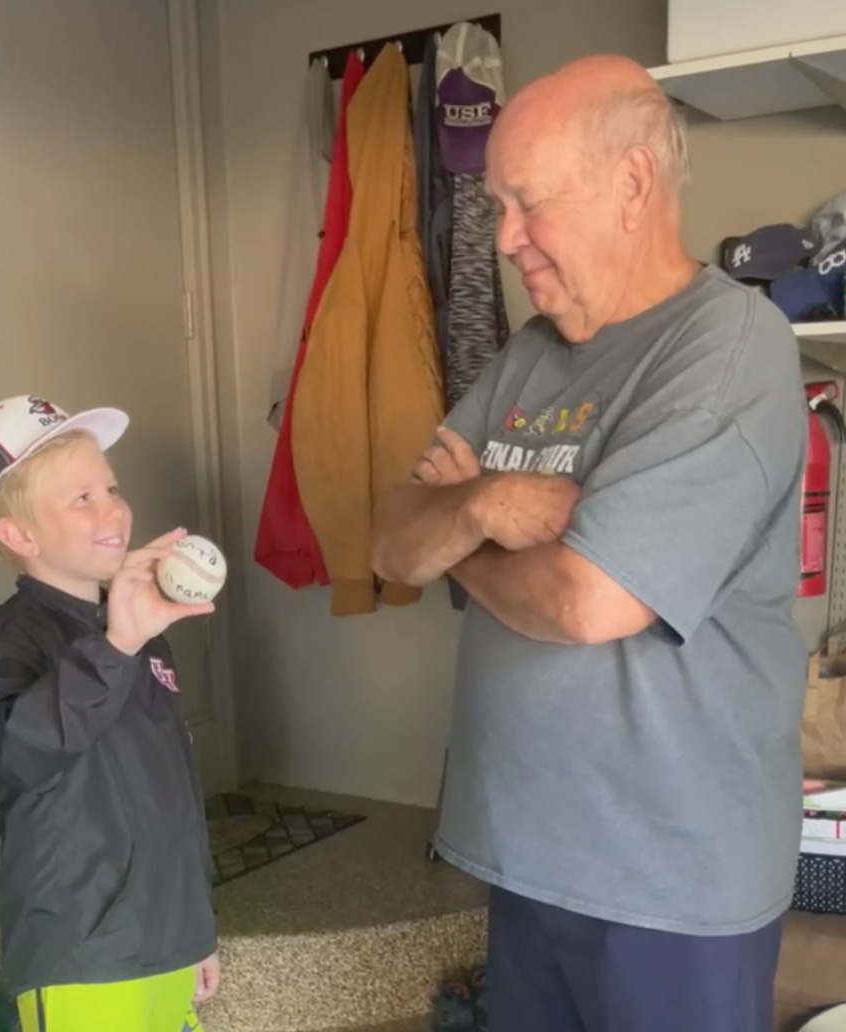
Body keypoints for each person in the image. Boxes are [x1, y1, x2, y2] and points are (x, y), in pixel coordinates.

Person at [372, 54, 807, 1032]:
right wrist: (485, 504)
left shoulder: (728, 346)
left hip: (666, 887)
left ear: (629, 186)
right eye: (495, 207)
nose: (506, 238)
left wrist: (464, 536)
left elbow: (587, 600)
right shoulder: (531, 353)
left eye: (526, 203)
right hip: (527, 858)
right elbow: (391, 541)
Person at [0, 394, 221, 1032]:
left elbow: (172, 790)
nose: (114, 509)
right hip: (82, 955)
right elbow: (13, 753)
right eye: (82, 498)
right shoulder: (7, 640)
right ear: (20, 535)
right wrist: (115, 647)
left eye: (111, 486)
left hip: (165, 939)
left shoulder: (139, 628)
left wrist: (197, 924)